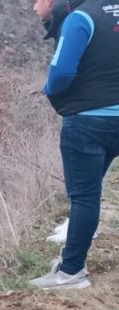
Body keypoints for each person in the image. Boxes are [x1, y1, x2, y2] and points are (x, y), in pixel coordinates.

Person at [29, 0, 119, 290]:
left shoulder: (81, 18)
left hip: (88, 123)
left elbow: (61, 72)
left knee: (85, 197)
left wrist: (49, 91)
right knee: (93, 191)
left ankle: (71, 272)